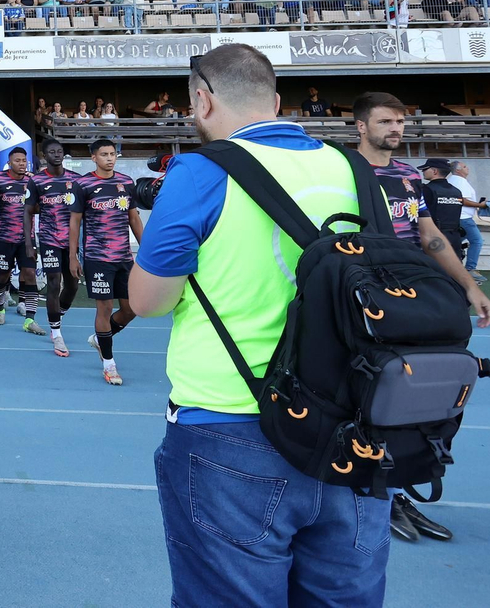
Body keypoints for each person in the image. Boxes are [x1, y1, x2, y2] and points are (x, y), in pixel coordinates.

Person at [126, 43, 391, 606]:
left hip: (233, 422)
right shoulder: (353, 168)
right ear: (275, 101)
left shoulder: (199, 171)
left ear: (202, 101)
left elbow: (147, 301)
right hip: (356, 424)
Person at [352, 91, 490, 544]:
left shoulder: (410, 177)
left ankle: (394, 485)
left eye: (399, 121)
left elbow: (430, 237)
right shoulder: (343, 172)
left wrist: (469, 286)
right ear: (361, 126)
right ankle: (370, 489)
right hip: (366, 295)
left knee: (411, 391)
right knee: (366, 393)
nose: (395, 129)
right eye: (385, 121)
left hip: (411, 294)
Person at [68, 138, 142, 386]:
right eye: (104, 154)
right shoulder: (83, 184)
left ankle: (100, 338)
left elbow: (134, 219)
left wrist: (147, 250)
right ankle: (109, 365)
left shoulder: (126, 183)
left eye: (112, 154)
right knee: (105, 308)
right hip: (97, 258)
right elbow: (75, 222)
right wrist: (73, 257)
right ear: (94, 158)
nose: (109, 158)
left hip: (124, 258)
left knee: (131, 310)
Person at [27, 138, 81, 358]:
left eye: (59, 151)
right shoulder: (37, 181)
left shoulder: (76, 179)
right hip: (49, 239)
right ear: (44, 155)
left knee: (73, 285)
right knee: (53, 283)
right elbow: (27, 212)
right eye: (52, 152)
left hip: (72, 241)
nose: (57, 155)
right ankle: (56, 333)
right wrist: (29, 243)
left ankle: (58, 315)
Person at [0, 147, 43, 332]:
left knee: (29, 274)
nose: (22, 164)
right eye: (17, 160)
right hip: (4, 238)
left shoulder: (32, 181)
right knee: (2, 276)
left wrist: (33, 200)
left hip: (26, 239)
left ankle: (30, 319)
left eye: (24, 161)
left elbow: (38, 209)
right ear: (9, 163)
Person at [419, 158, 466, 265]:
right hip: (455, 237)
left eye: (425, 169)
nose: (423, 172)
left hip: (434, 237)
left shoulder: (426, 190)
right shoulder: (456, 191)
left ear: (434, 171)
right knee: (454, 269)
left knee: (432, 269)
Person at [447, 161, 488, 283]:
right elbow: (462, 200)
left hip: (457, 217)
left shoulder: (452, 180)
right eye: (464, 167)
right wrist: (480, 205)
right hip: (464, 217)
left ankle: (448, 265)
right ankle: (470, 269)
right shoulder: (460, 181)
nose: (467, 168)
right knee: (477, 241)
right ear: (458, 170)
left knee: (453, 243)